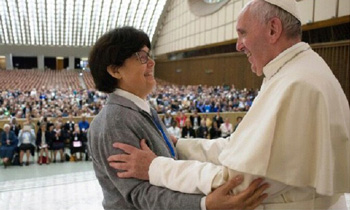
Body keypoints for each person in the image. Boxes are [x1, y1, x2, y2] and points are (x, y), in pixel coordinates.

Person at [108, 1, 350, 209]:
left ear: (273, 29)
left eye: (243, 33)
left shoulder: (297, 84)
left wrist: (156, 167)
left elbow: (238, 186)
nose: (238, 45)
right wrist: (181, 145)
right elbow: (237, 150)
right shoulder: (293, 72)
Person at [88, 26, 268, 210]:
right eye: (141, 57)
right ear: (115, 70)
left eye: (149, 56)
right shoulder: (116, 121)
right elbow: (140, 194)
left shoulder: (141, 109)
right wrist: (203, 204)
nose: (151, 63)